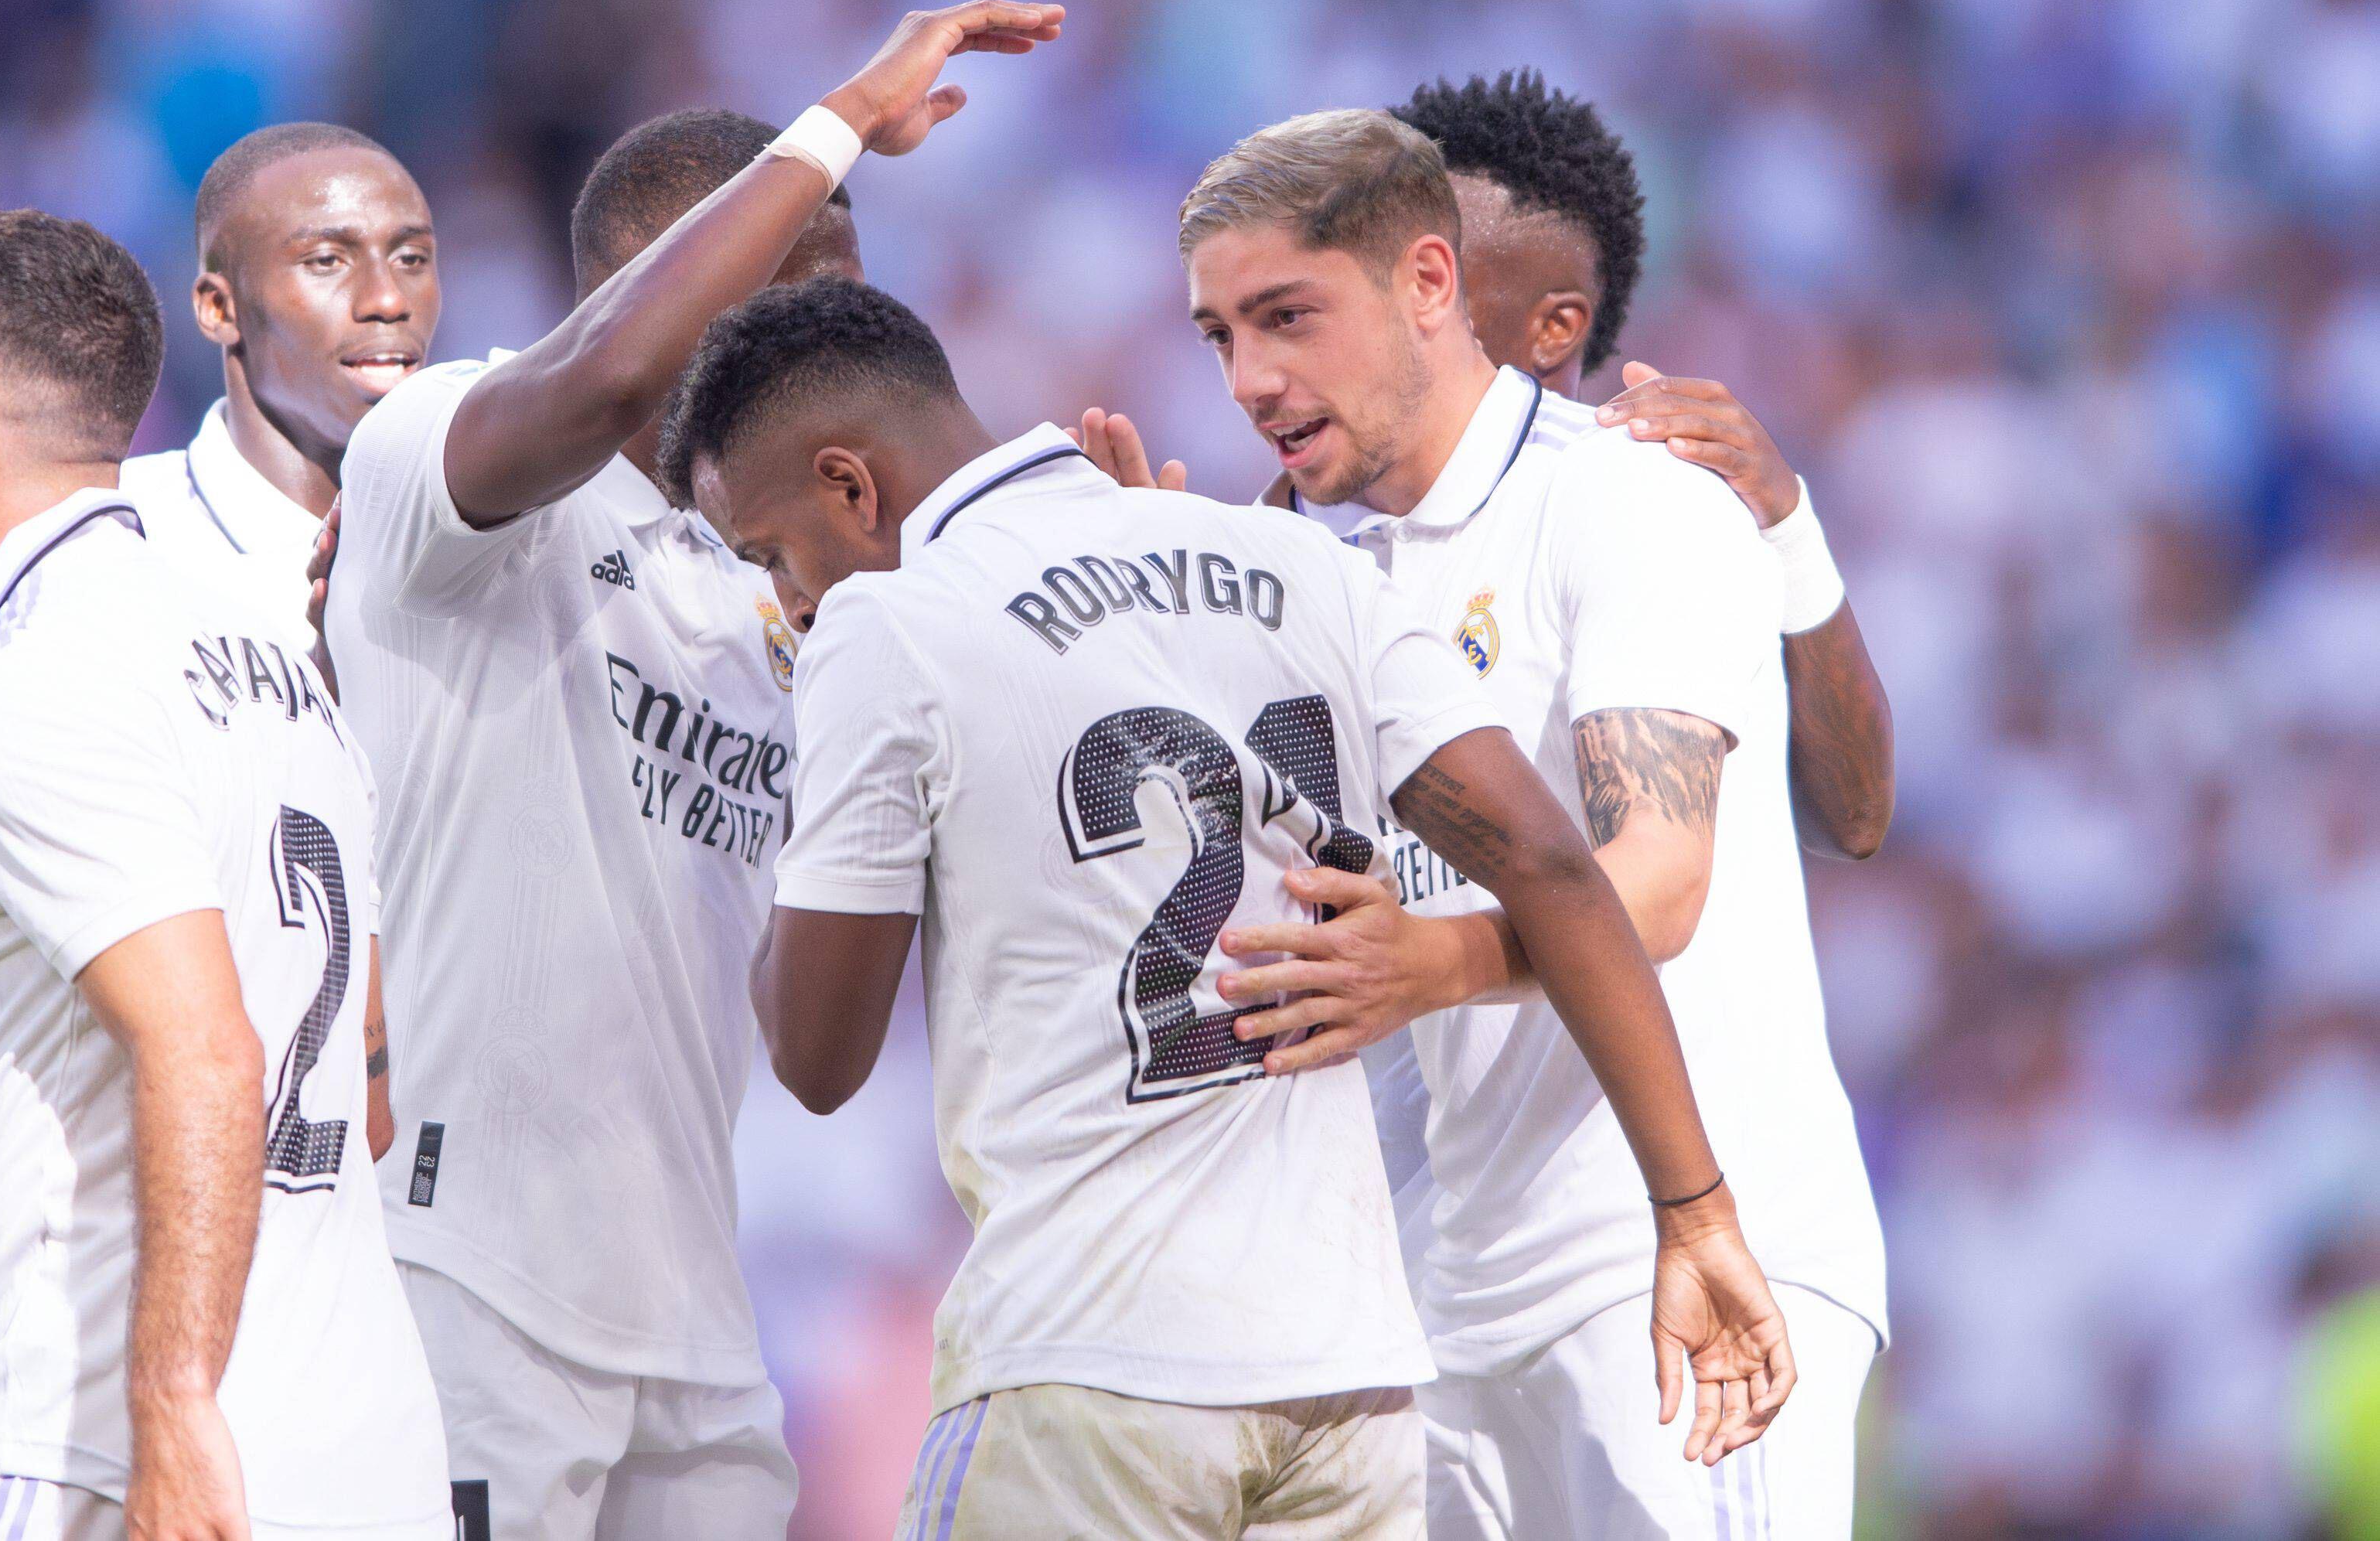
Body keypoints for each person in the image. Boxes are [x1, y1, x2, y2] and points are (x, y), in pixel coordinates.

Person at [665, 274, 1796, 1539]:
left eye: (770, 555)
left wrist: (806, 771)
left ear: (849, 487)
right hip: (1352, 1387)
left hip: (1091, 1370)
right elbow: (1553, 863)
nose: (785, 599)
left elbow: (817, 1056)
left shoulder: (887, 624)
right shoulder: (1293, 556)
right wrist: (1693, 1211)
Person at [321, 2, 1062, 1540]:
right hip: (464, 1277)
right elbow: (599, 389)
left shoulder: (807, 599)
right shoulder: (439, 459)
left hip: (694, 1318)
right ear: (672, 281)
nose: (846, 346)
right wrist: (840, 120)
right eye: (808, 294)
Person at [1149, 108, 1887, 1540]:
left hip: (1687, 1260)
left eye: (1285, 319)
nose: (1249, 379)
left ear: (1430, 286)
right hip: (1442, 1298)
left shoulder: (1630, 498)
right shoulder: (1304, 569)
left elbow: (1658, 880)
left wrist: (1430, 964)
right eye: (1219, 336)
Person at [0, 210, 445, 1541]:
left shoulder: (39, 678)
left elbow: (210, 1054)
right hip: (367, 1448)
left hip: (138, 1458)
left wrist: (166, 1408)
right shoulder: (275, 662)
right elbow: (374, 1064)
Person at [1386, 70, 1893, 861]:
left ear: (1554, 327)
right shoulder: (1349, 529)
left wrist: (1789, 530)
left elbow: (1853, 817)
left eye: (1431, 279)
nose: (1393, 307)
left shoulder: (1653, 492)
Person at [124, 119, 440, 1162]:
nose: (386, 298)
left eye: (411, 256)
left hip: (463, 1225)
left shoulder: (490, 542)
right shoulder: (127, 543)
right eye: (326, 260)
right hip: (224, 1191)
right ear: (219, 306)